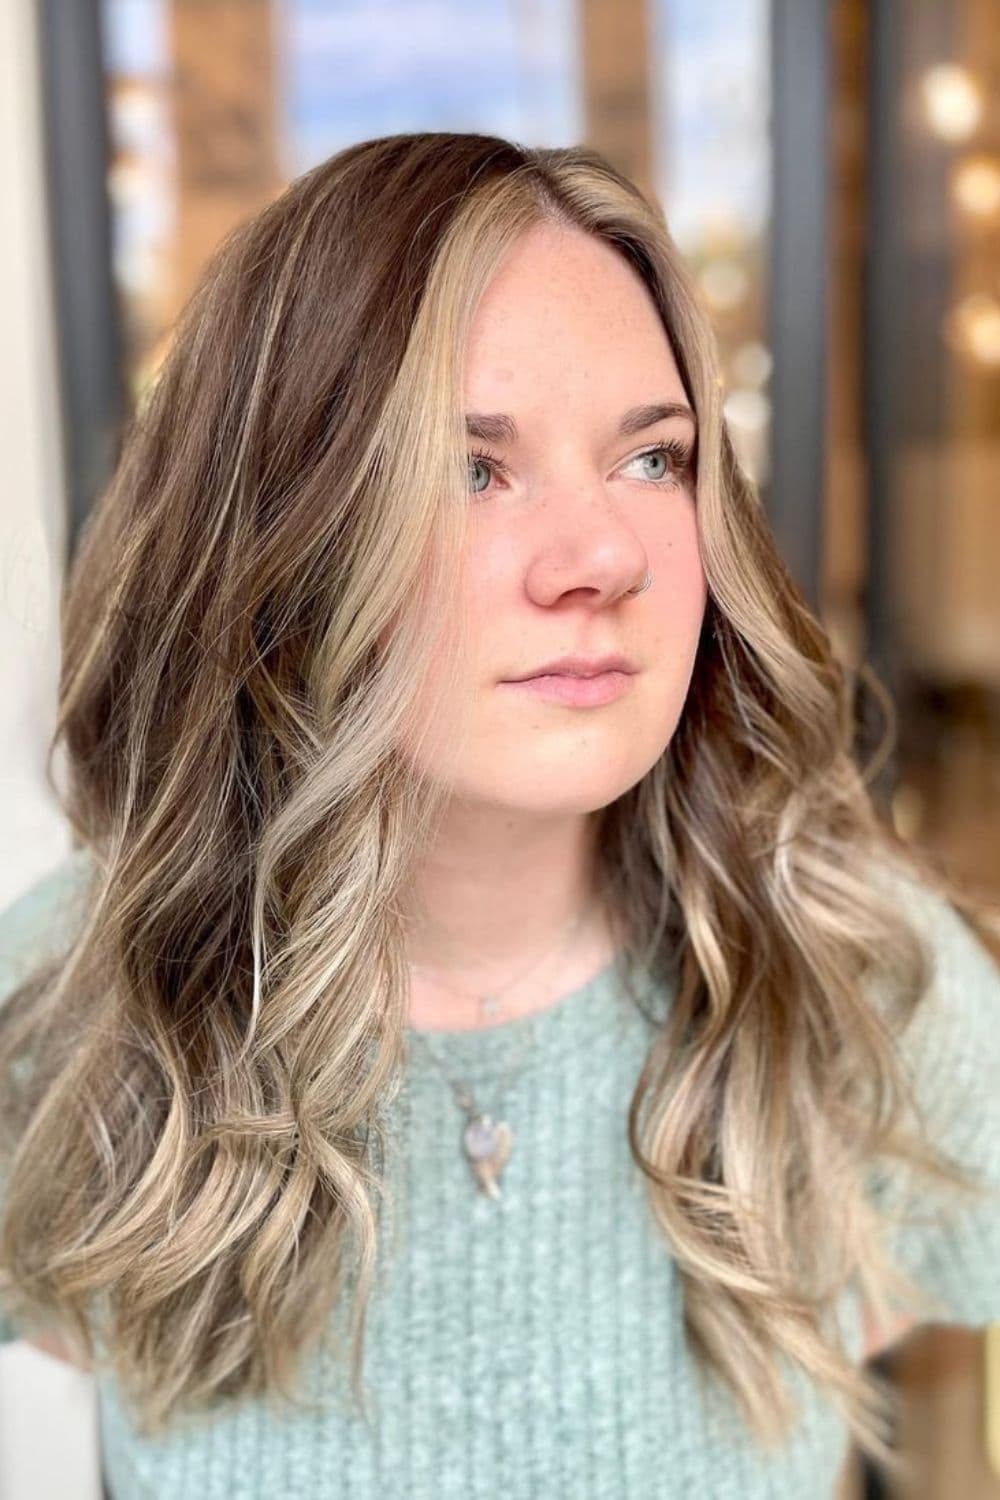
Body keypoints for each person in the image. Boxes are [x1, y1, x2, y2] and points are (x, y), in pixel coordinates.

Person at [1, 130, 998, 1499]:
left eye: (654, 461)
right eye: (474, 470)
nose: (599, 558)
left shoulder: (861, 981)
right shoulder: (73, 1010)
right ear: (286, 538)